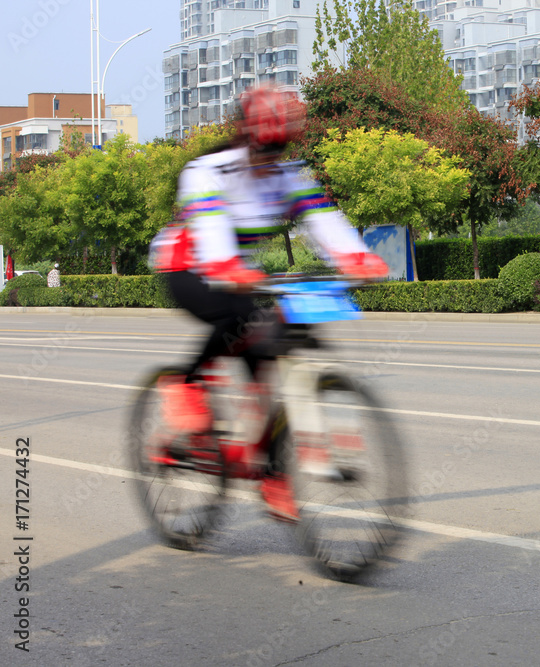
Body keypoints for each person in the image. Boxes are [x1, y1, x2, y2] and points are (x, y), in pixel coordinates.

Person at [149, 85, 388, 521]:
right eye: (261, 149)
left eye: (277, 151)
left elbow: (324, 220)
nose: (268, 161)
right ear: (243, 137)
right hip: (185, 266)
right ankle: (184, 385)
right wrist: (229, 269)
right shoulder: (208, 172)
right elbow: (213, 236)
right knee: (242, 314)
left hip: (237, 274)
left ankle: (269, 470)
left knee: (276, 352)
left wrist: (358, 258)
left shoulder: (288, 176)